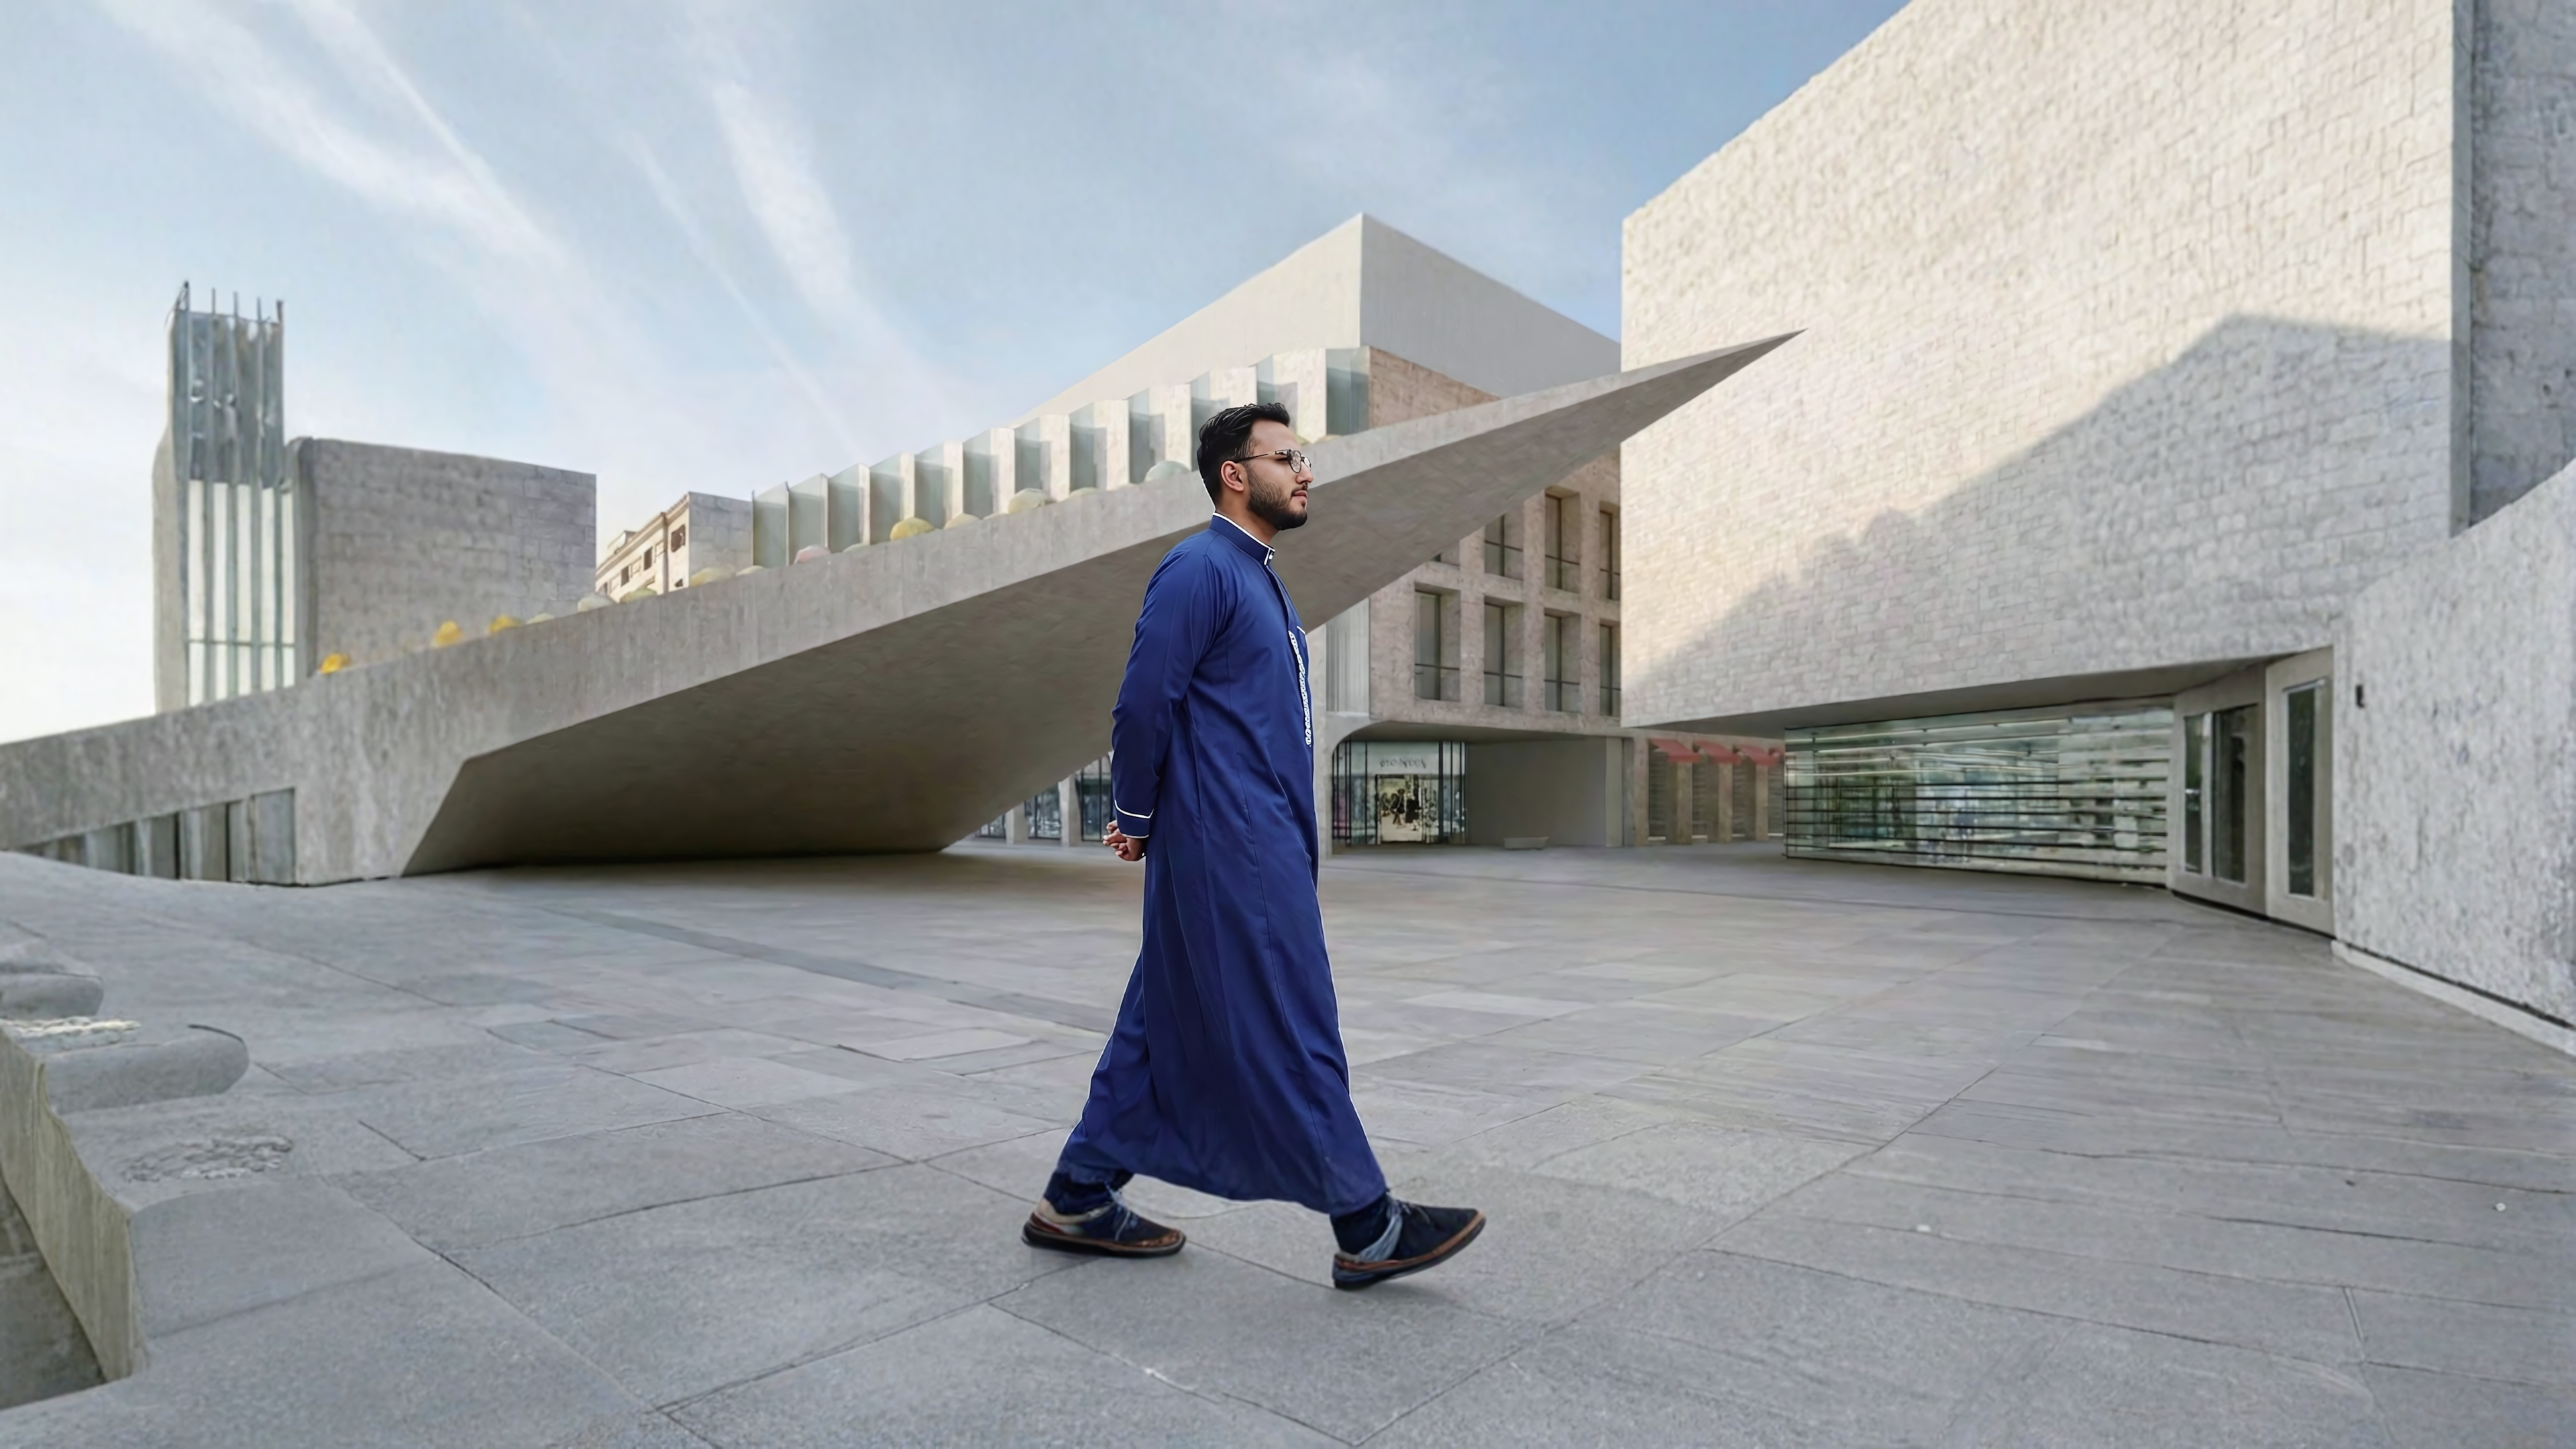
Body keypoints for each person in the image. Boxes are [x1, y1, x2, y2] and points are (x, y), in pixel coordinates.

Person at [1020, 402, 1485, 1291]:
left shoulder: (1257, 578)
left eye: (1303, 458)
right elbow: (1144, 699)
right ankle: (1368, 1223)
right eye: (1286, 458)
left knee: (1159, 1019)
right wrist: (1137, 812)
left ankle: (1077, 1194)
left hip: (1251, 834)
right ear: (1235, 475)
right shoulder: (1199, 568)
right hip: (1231, 841)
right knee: (1291, 1015)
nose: (1305, 472)